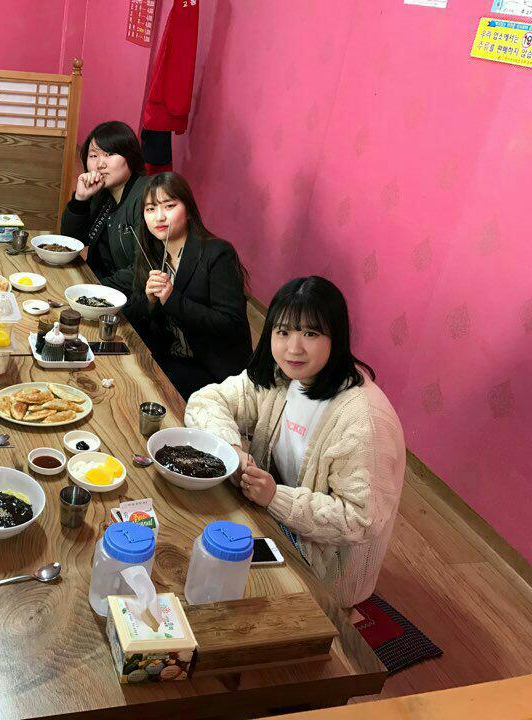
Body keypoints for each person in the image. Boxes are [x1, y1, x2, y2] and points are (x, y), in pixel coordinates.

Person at [184, 276, 405, 608]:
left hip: (325, 570)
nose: (294, 348)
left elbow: (360, 519)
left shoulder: (364, 420)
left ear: (336, 337)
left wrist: (276, 497)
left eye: (311, 334)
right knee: (191, 542)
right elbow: (206, 401)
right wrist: (232, 450)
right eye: (283, 331)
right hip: (268, 514)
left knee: (218, 591)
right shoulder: (281, 376)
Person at [124, 172, 252, 400]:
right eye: (150, 209)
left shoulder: (217, 253)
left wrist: (172, 299)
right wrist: (149, 300)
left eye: (169, 206)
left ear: (189, 210)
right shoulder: (151, 252)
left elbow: (230, 323)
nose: (159, 217)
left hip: (211, 370)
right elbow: (135, 315)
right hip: (169, 358)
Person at [59, 121, 149, 294]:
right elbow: (72, 242)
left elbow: (142, 269)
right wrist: (80, 200)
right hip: (97, 285)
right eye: (93, 156)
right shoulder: (101, 193)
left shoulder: (147, 198)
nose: (100, 164)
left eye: (109, 154)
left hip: (127, 297)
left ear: (130, 156)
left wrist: (93, 289)